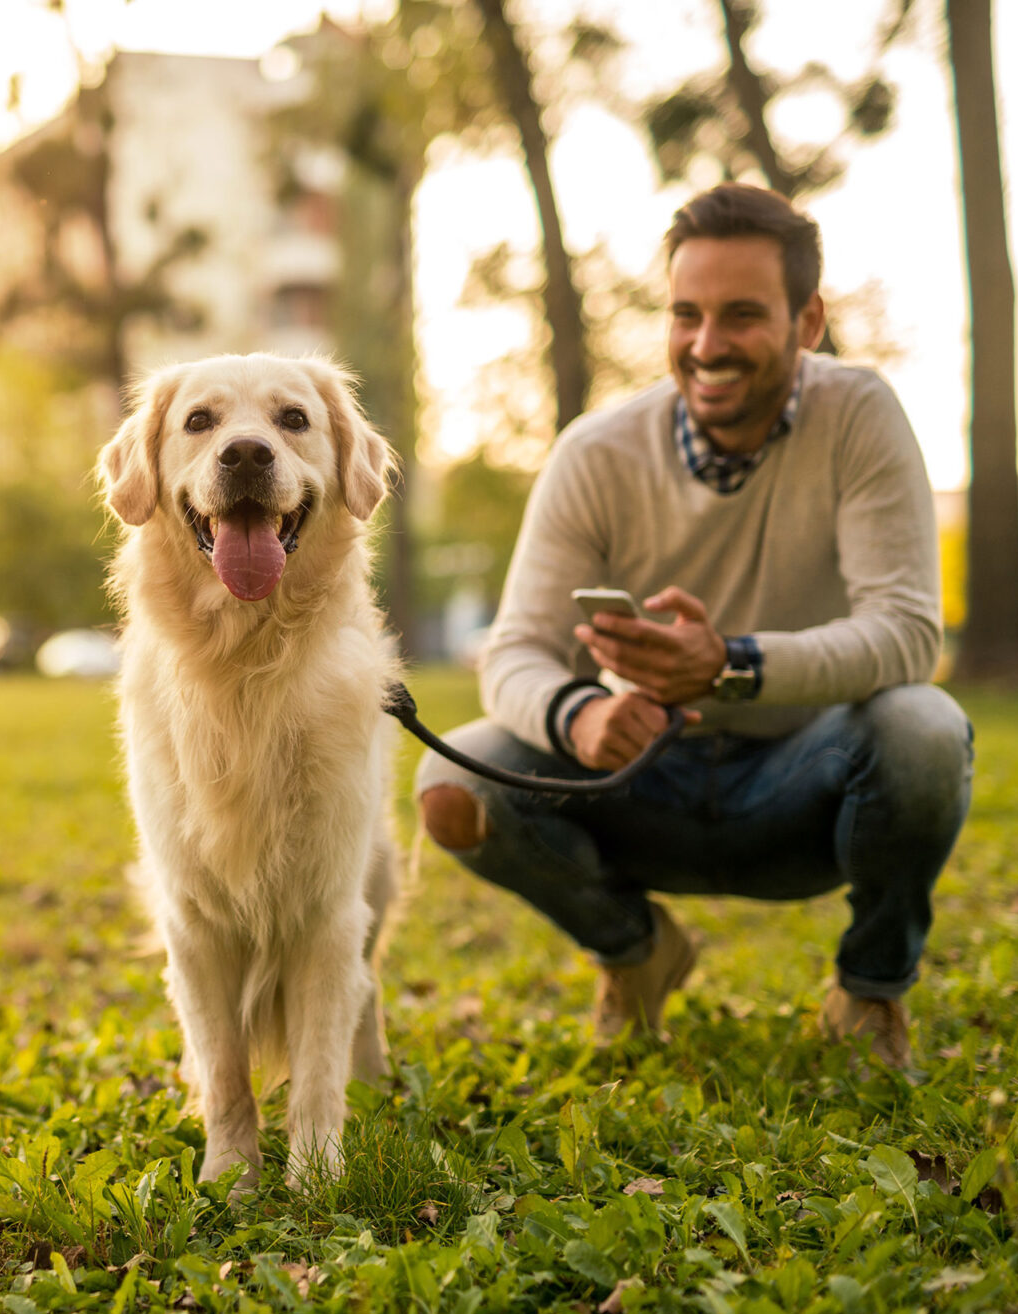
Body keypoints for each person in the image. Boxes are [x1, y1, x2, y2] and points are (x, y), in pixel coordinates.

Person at [416, 183, 972, 1070]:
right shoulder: (595, 453)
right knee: (454, 781)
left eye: (742, 315)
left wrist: (732, 663)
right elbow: (514, 651)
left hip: (808, 786)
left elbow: (908, 633)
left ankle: (869, 993)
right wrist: (581, 716)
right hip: (641, 785)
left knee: (926, 730)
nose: (706, 346)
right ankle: (636, 955)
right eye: (686, 314)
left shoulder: (859, 416)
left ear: (807, 321)